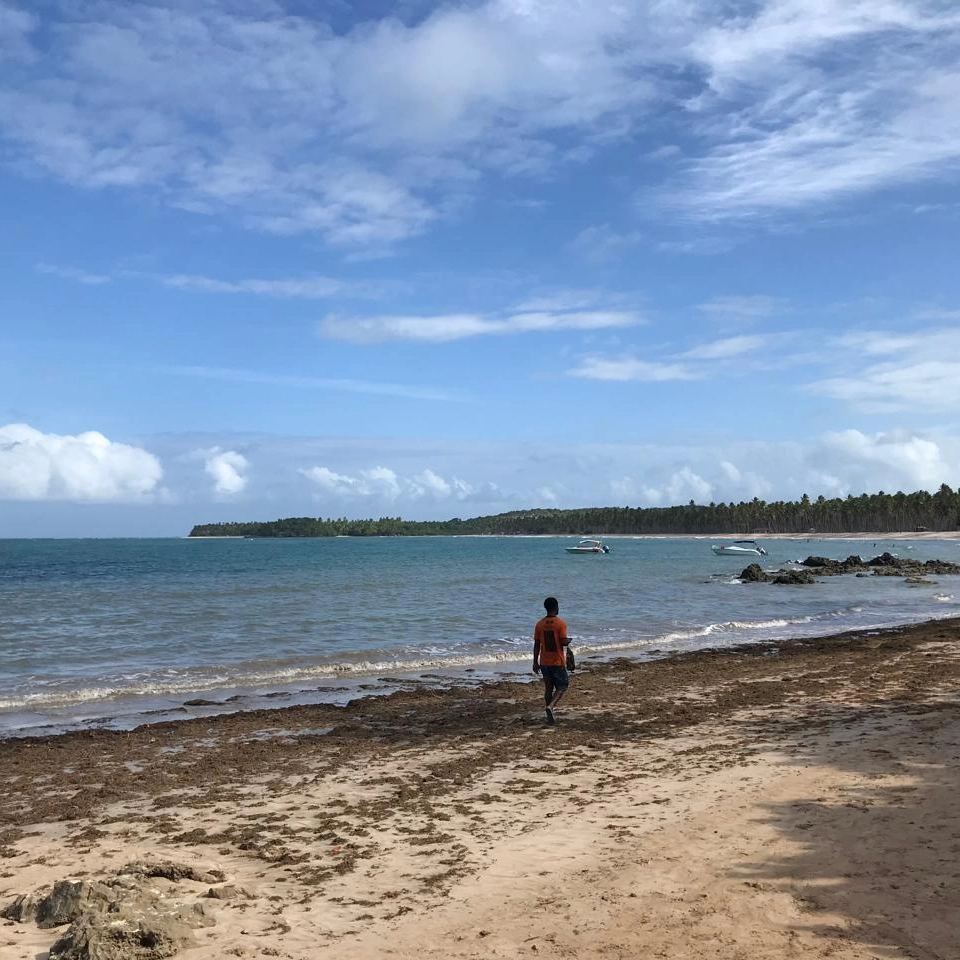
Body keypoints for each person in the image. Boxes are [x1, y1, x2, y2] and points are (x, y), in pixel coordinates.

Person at [532, 596, 570, 725]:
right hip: (557, 661)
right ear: (556, 608)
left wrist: (535, 662)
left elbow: (537, 645)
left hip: (544, 661)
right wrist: (568, 641)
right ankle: (551, 706)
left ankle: (549, 713)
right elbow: (563, 642)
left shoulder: (539, 624)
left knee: (548, 688)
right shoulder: (560, 624)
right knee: (563, 685)